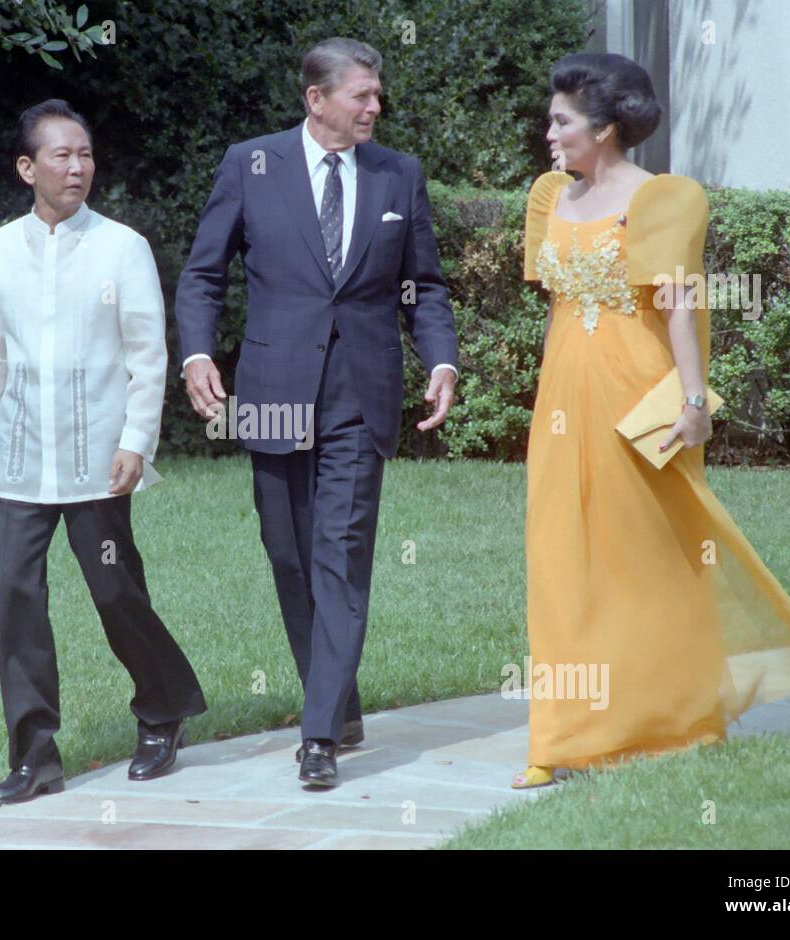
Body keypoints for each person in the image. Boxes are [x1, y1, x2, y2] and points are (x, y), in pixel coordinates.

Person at [515, 53, 790, 788]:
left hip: (640, 396)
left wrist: (695, 405)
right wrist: (546, 401)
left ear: (603, 128)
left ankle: (676, 718)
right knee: (560, 559)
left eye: (561, 120)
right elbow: (556, 313)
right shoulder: (549, 198)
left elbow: (679, 305)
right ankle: (559, 737)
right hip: (564, 399)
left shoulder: (664, 199)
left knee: (653, 559)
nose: (548, 132)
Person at [175, 38, 459, 788]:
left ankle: (319, 734)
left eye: (377, 95)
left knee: (339, 555)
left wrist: (441, 360)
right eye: (361, 95)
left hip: (359, 396)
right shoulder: (251, 163)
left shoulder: (400, 173)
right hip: (270, 391)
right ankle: (341, 699)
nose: (375, 107)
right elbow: (203, 273)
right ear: (316, 99)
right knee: (289, 553)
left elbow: (424, 285)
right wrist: (197, 354)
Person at [0, 99, 207, 803]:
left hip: (99, 456)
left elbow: (146, 353)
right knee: (16, 599)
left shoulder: (121, 246)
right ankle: (33, 755)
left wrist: (137, 440)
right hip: (17, 461)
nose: (78, 168)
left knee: (114, 590)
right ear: (26, 167)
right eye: (61, 156)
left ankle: (164, 709)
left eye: (86, 155)